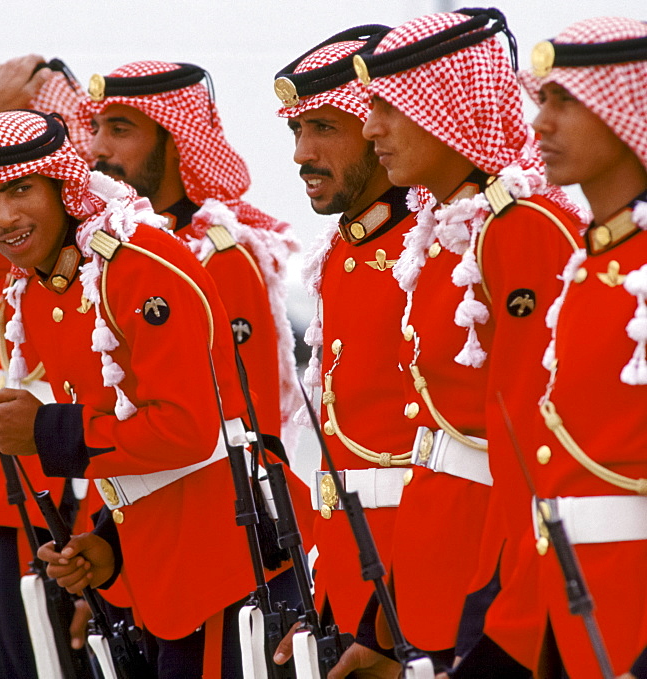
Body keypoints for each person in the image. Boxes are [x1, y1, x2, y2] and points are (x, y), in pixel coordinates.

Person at [0, 108, 304, 678]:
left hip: (224, 566)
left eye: (19, 189)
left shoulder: (137, 264)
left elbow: (187, 431)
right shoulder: (42, 285)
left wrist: (45, 431)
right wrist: (107, 544)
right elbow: (129, 439)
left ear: (63, 186)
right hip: (148, 569)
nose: (3, 217)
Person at [352, 8, 583, 674]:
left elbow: (538, 452)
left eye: (387, 108)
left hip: (497, 575)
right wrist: (383, 618)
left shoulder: (525, 230)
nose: (370, 130)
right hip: (439, 570)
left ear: (446, 108)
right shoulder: (453, 229)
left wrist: (503, 609)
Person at [460, 17, 647, 678]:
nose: (540, 123)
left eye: (566, 100)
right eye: (542, 100)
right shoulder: (590, 266)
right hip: (564, 618)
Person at [269, 25, 420, 675]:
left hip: (412, 599)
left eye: (325, 126)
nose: (303, 153)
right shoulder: (343, 252)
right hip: (350, 585)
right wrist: (321, 600)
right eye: (296, 131)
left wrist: (393, 622)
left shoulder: (431, 246)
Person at [80, 59, 301, 446]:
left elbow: (253, 420)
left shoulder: (219, 258)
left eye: (119, 130)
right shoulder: (102, 251)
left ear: (177, 142)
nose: (97, 148)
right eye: (97, 129)